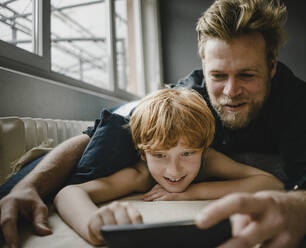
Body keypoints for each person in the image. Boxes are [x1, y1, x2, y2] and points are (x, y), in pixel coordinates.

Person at [0, 0, 306, 248]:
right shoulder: (184, 99)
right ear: (203, 67)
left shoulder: (294, 99)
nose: (230, 91)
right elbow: (96, 134)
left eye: (247, 74)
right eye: (218, 75)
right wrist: (29, 184)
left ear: (271, 67)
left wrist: (298, 208)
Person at [53, 87, 283, 245]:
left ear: (203, 149)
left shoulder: (208, 160)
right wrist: (92, 224)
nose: (174, 170)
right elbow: (68, 192)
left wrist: (193, 192)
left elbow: (271, 182)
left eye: (186, 153)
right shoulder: (140, 176)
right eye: (160, 155)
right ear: (143, 154)